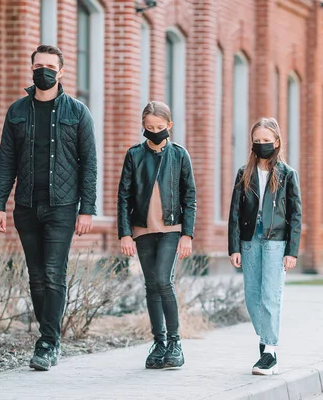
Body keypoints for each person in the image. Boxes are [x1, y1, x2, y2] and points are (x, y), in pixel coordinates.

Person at [0, 45, 97, 371]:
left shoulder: (77, 112)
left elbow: (89, 164)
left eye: (51, 66)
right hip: (25, 205)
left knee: (53, 273)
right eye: (39, 65)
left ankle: (49, 342)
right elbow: (6, 162)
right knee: (36, 277)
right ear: (31, 68)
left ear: (61, 71)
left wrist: (87, 209)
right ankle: (48, 335)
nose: (44, 70)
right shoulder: (17, 111)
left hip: (63, 207)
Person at [117, 101, 197, 369]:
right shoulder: (134, 155)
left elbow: (190, 196)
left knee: (163, 281)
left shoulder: (179, 155)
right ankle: (159, 343)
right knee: (151, 285)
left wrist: (187, 234)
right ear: (143, 127)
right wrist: (125, 234)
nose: (154, 132)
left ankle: (175, 343)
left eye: (159, 127)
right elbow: (123, 196)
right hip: (142, 230)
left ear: (169, 126)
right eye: (149, 128)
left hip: (171, 229)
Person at [227, 117, 302, 375]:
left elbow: (296, 214)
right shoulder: (243, 173)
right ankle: (266, 338)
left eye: (266, 141)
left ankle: (269, 352)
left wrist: (292, 251)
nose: (262, 145)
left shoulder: (287, 174)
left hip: (276, 240)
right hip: (250, 239)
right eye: (257, 141)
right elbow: (234, 213)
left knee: (270, 295)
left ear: (277, 142)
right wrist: (233, 247)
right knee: (252, 296)